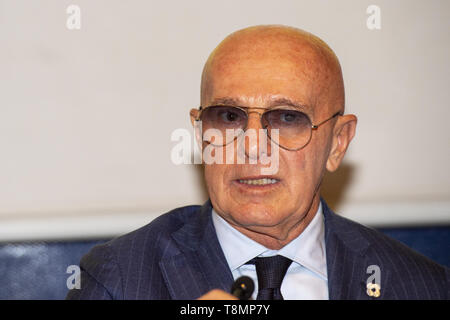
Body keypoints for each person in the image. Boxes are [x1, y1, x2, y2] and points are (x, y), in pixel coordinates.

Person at [66, 25, 449, 300]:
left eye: (286, 119)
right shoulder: (116, 280)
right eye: (229, 117)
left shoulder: (420, 286)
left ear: (338, 142)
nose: (252, 147)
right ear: (201, 134)